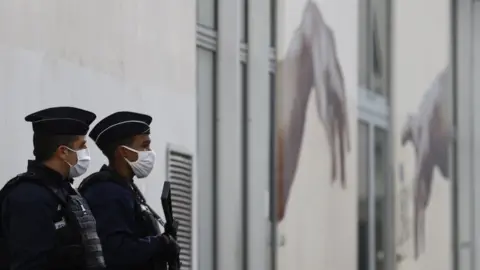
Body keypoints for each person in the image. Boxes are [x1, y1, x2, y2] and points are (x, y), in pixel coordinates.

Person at [0, 106, 105, 270]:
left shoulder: (64, 190)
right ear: (63, 151)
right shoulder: (30, 196)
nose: (86, 152)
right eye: (82, 146)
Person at [78, 111, 179, 270]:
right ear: (123, 152)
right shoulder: (107, 193)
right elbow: (115, 252)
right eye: (144, 146)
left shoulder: (125, 187)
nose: (150, 153)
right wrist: (160, 243)